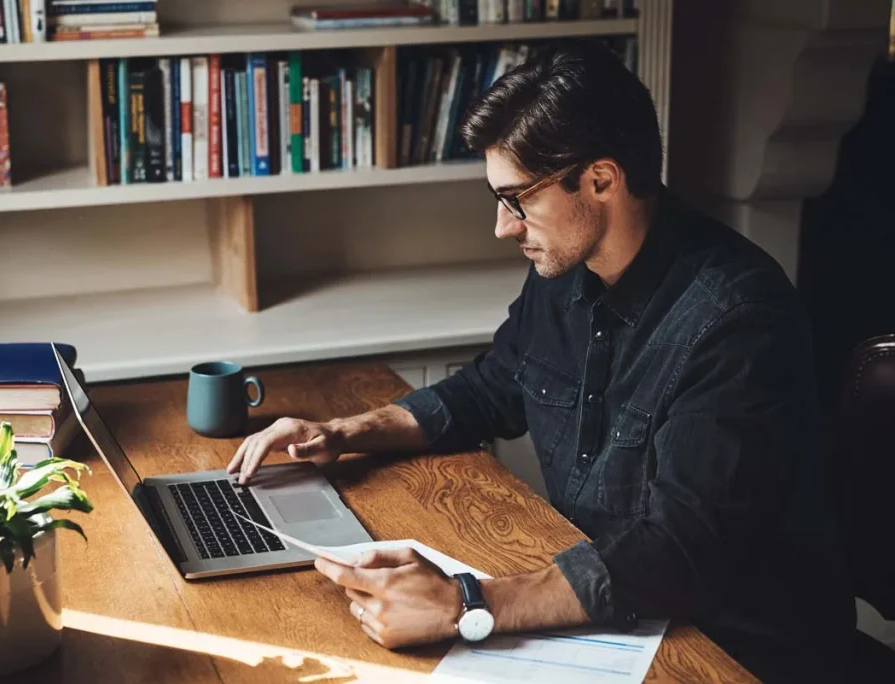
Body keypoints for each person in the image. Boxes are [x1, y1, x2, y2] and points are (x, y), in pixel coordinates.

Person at [226, 42, 855, 682]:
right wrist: (343, 432)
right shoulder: (565, 267)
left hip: (734, 650)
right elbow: (492, 385)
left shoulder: (738, 319)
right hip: (612, 613)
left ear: (601, 180)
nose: (503, 226)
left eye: (516, 198)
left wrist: (465, 603)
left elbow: (680, 553)